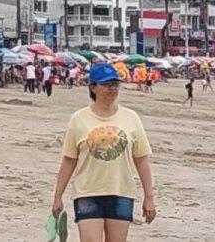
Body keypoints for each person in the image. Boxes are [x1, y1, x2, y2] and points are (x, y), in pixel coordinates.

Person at [51, 62, 156, 242]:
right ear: (93, 87)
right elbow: (69, 160)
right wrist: (57, 196)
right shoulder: (79, 119)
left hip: (121, 192)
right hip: (87, 192)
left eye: (115, 84)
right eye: (106, 84)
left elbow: (141, 160)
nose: (112, 88)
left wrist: (149, 197)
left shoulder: (131, 118)